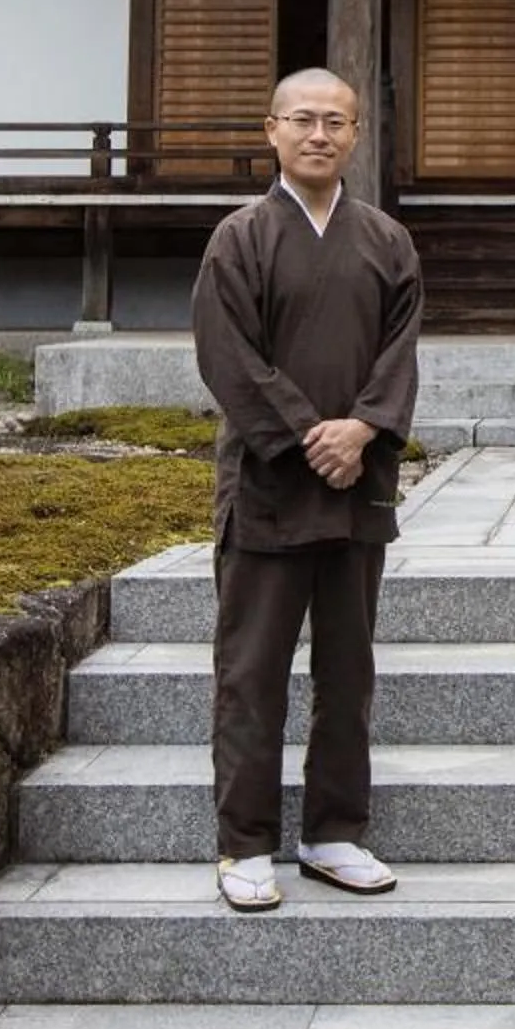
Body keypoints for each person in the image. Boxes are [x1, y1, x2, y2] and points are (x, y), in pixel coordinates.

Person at [191, 67, 421, 912]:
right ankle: (243, 843)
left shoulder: (388, 241)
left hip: (358, 485)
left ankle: (335, 832)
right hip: (269, 486)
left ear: (356, 135)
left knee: (348, 669)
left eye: (337, 122)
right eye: (305, 120)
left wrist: (361, 428)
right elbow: (228, 357)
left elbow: (401, 353)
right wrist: (304, 435)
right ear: (273, 129)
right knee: (252, 669)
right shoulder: (240, 238)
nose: (320, 134)